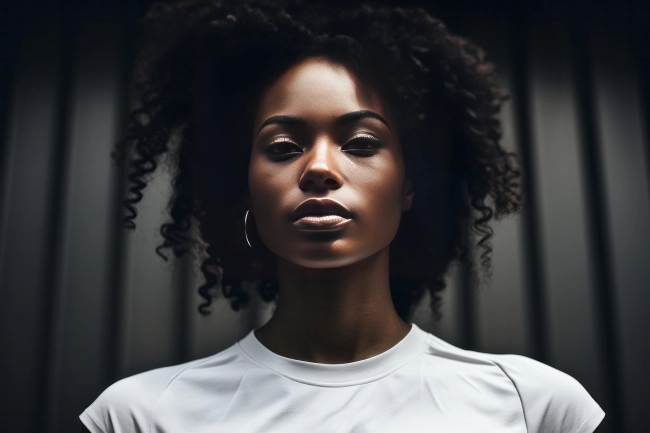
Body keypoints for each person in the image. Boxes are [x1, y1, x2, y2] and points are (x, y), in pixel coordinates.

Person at [80, 0, 606, 431]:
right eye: (284, 147)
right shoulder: (138, 416)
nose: (319, 169)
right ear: (243, 186)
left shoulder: (537, 408)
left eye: (360, 142)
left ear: (408, 186)